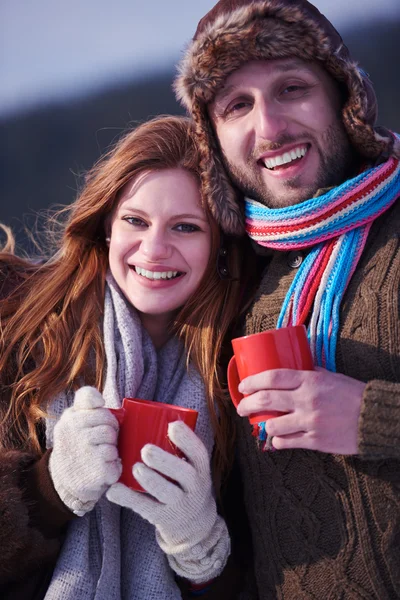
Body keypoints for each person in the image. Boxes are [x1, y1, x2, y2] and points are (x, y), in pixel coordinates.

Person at [174, 1, 400, 598]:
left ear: (344, 98)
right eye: (237, 106)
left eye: (292, 88)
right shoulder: (228, 278)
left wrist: (374, 419)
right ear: (214, 139)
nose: (269, 129)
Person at [0, 115, 246, 600]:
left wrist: (199, 545)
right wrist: (52, 487)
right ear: (106, 226)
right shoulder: (17, 327)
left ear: (219, 246)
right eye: (136, 221)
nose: (154, 249)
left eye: (185, 227)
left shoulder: (236, 366)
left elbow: (281, 568)